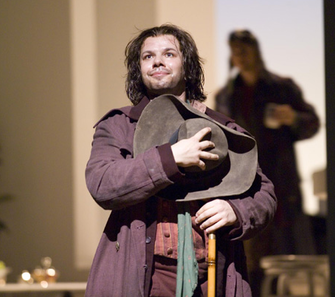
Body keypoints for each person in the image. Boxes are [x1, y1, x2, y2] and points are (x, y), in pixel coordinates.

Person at [85, 24, 276, 297]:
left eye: (169, 54)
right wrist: (170, 157)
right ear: (139, 69)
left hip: (212, 275)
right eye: (147, 56)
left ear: (187, 66)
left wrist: (236, 211)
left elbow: (264, 194)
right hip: (144, 277)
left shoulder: (223, 128)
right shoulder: (120, 125)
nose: (158, 61)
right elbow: (102, 183)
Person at [215, 29, 321, 297]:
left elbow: (312, 123)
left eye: (244, 49)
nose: (239, 55)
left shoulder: (281, 87)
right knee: (250, 263)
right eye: (234, 50)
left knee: (289, 260)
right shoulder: (227, 95)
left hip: (283, 187)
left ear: (255, 50)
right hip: (243, 186)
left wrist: (293, 118)